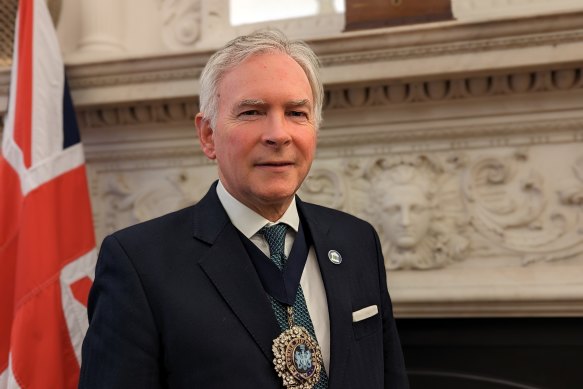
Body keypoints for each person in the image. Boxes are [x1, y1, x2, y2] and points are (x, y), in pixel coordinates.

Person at [79, 29, 409, 389]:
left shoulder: (357, 242)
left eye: (296, 112)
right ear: (208, 135)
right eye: (252, 112)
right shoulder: (139, 265)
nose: (278, 134)